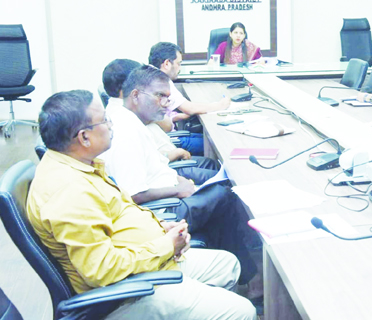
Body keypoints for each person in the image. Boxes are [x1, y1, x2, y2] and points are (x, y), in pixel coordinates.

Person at [27, 89, 256, 319]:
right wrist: (165, 245)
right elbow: (102, 270)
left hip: (140, 263)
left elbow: (117, 213)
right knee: (242, 311)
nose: (111, 125)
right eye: (105, 120)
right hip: (125, 295)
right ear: (84, 137)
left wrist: (160, 227)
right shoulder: (69, 191)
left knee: (227, 265)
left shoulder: (81, 164)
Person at [99, 65, 260, 293]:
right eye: (160, 96)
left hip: (167, 196)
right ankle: (251, 281)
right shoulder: (126, 131)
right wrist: (177, 189)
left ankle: (243, 269)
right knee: (226, 195)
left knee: (220, 192)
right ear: (135, 95)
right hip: (161, 211)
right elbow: (132, 194)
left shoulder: (133, 121)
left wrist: (177, 180)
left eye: (168, 97)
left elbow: (152, 168)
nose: (166, 104)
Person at [102, 58, 219, 185]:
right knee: (225, 182)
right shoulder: (128, 118)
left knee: (214, 166)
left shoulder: (121, 109)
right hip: (168, 168)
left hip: (167, 163)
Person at [149, 42, 230, 155]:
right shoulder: (160, 80)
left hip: (161, 137)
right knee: (218, 143)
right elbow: (189, 108)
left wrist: (177, 116)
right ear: (167, 63)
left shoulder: (149, 74)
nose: (180, 68)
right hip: (168, 141)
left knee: (206, 136)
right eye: (179, 63)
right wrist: (220, 105)